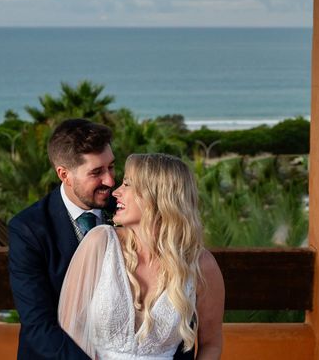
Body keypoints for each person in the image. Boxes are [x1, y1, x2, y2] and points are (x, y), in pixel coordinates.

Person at [8, 120, 196, 360]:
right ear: (64, 174)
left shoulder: (129, 208)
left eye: (111, 167)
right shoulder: (29, 229)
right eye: (97, 172)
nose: (110, 181)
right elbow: (38, 326)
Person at [58, 153, 225, 360]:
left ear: (157, 196)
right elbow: (68, 328)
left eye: (127, 184)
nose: (116, 192)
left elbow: (211, 344)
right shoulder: (100, 243)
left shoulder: (201, 264)